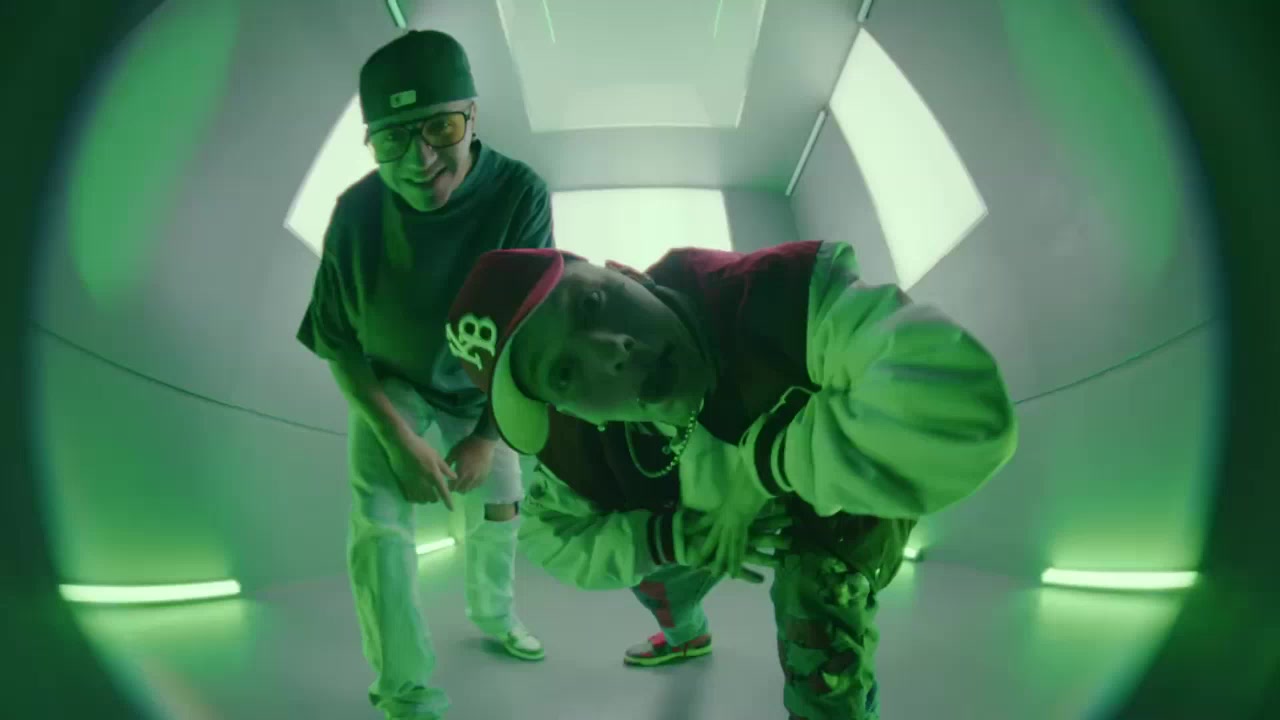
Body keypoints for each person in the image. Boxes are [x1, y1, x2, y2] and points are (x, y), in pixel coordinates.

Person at [442, 240, 1019, 718]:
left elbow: (962, 410)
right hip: (701, 517)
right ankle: (686, 634)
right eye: (565, 373)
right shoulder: (577, 443)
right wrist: (668, 538)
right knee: (653, 566)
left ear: (625, 272)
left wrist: (764, 470)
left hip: (831, 496)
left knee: (817, 605)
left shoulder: (779, 296)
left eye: (592, 303)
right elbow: (547, 534)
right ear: (571, 411)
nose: (611, 352)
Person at [296, 30, 549, 720]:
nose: (421, 158)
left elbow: (526, 331)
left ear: (472, 115)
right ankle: (404, 691)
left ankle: (495, 615)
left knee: (501, 505)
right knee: (378, 524)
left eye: (440, 128)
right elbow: (338, 343)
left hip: (483, 386)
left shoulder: (519, 194)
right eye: (393, 138)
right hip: (392, 384)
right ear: (373, 143)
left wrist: (487, 437)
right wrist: (398, 437)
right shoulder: (355, 214)